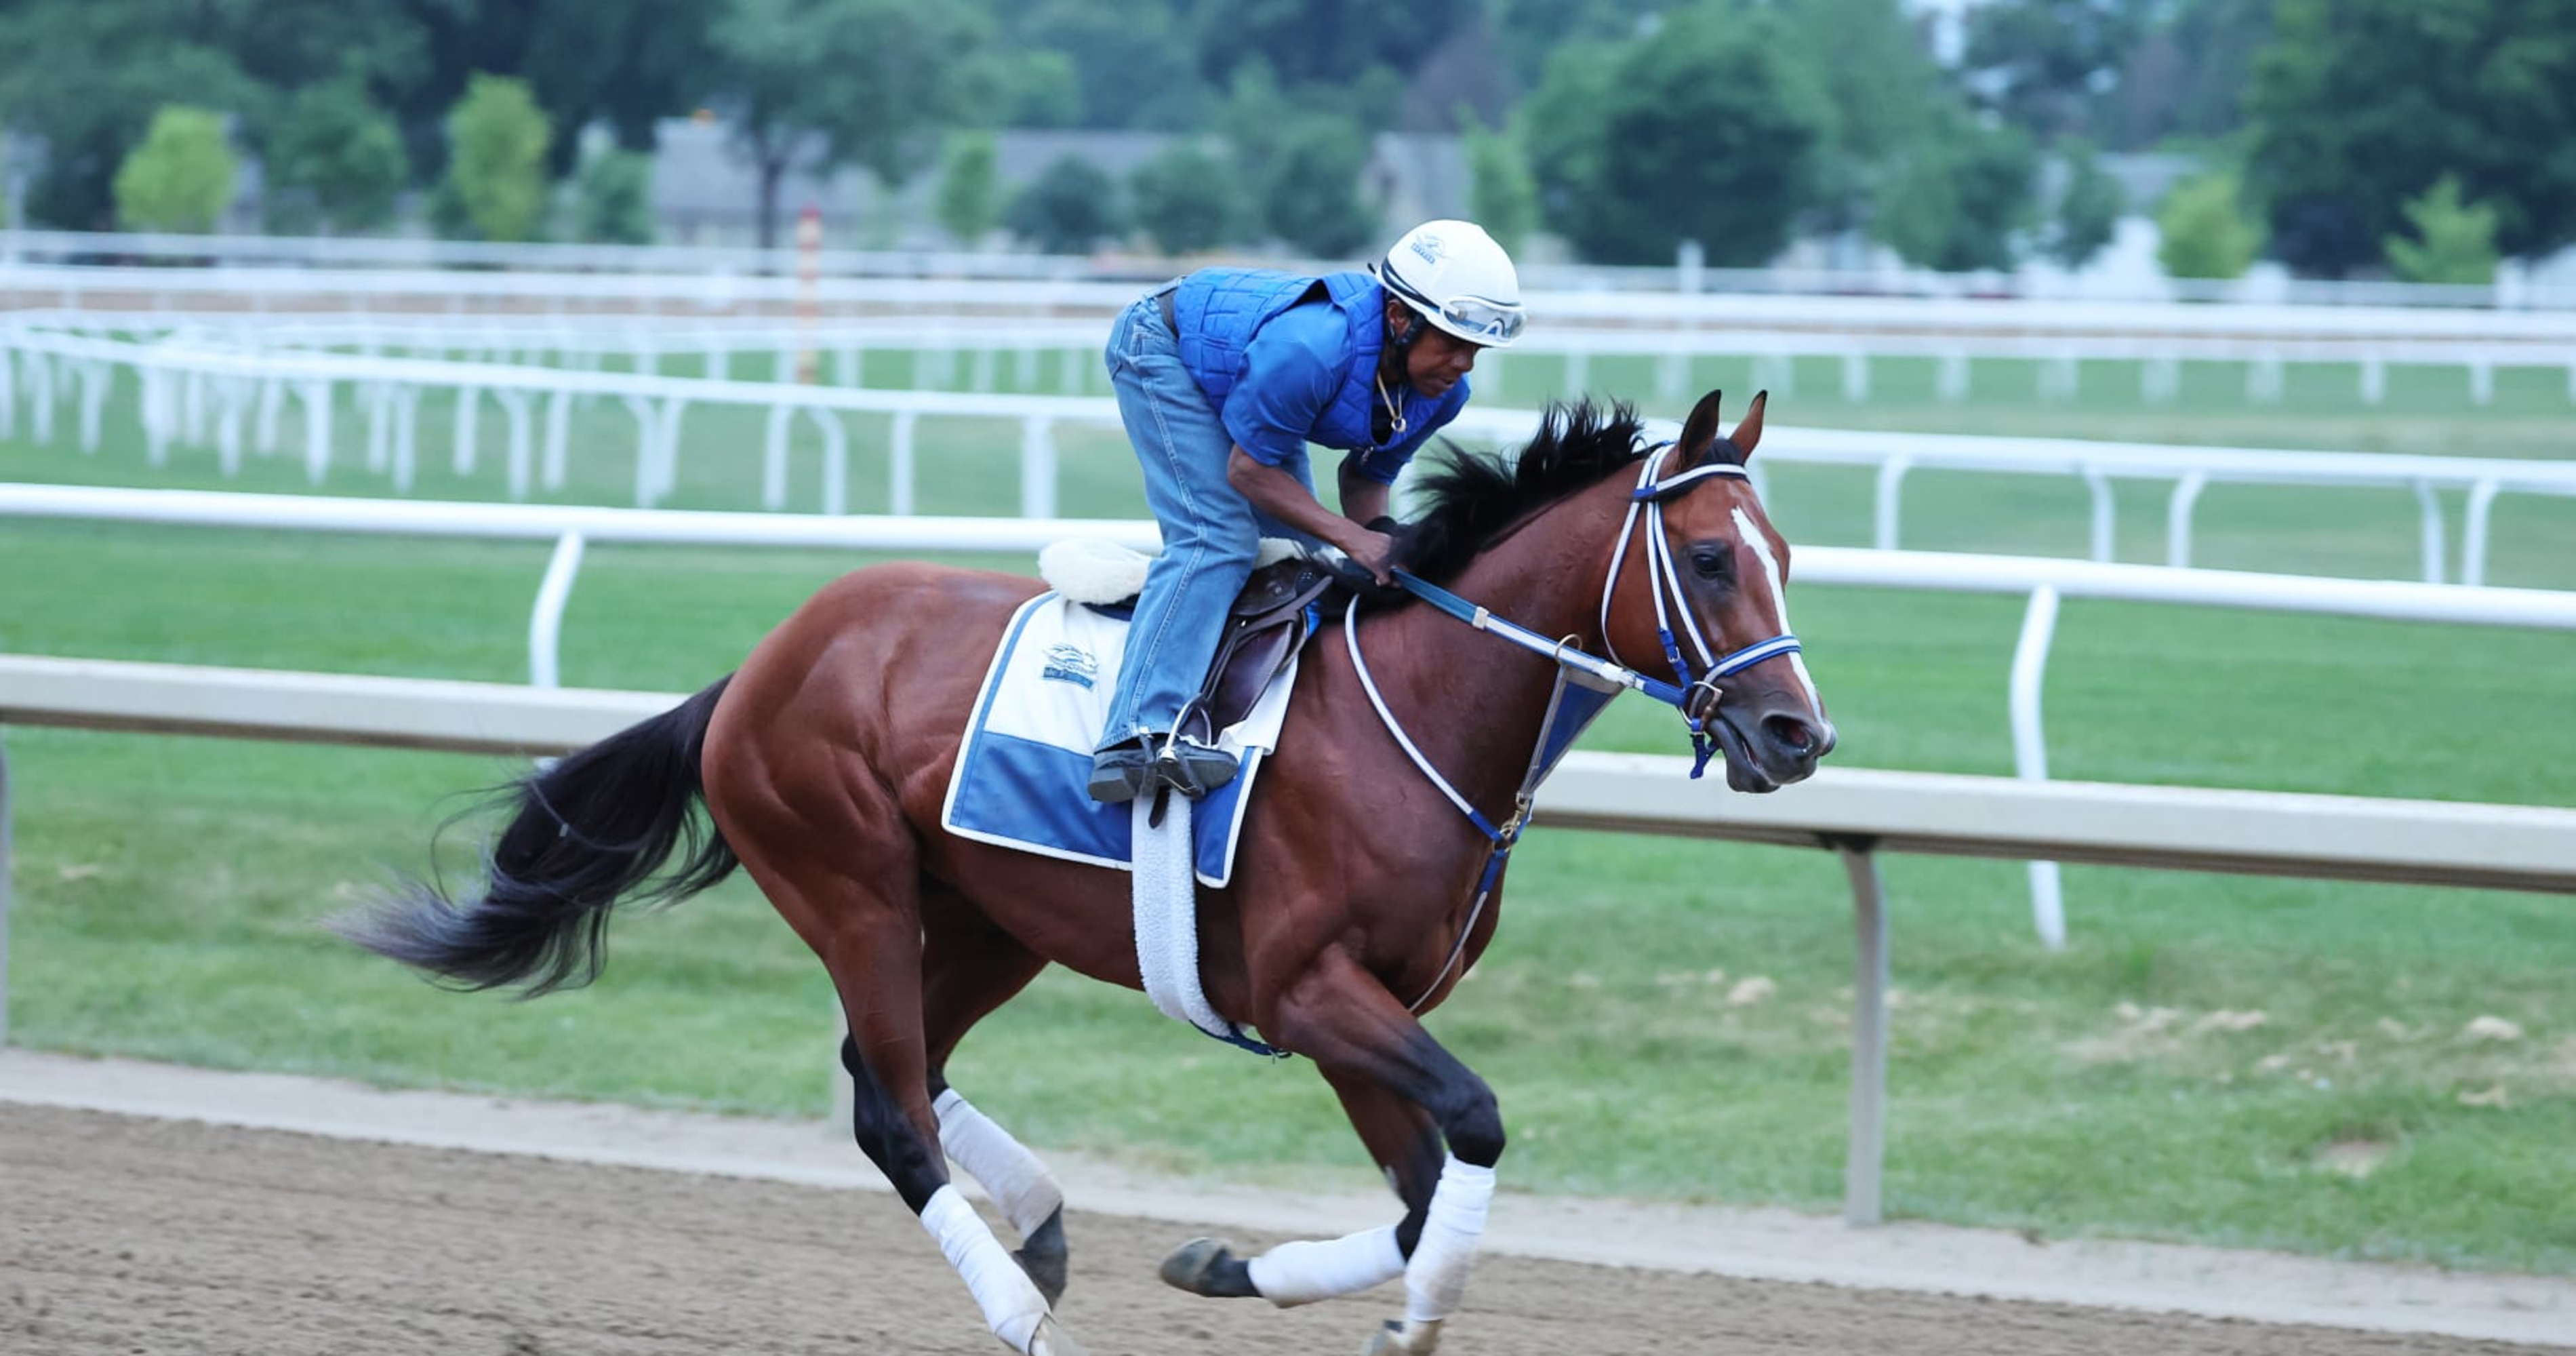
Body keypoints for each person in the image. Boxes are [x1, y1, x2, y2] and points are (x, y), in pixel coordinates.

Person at [1088, 219, 1527, 803]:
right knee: (1217, 539)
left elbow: (1367, 476)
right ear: (1400, 319)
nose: (1464, 364)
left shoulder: (1443, 394)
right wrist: (1352, 539)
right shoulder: (1312, 350)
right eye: (1451, 342)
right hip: (1162, 346)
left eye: (1475, 348)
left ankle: (1244, 716)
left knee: (1296, 561)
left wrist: (1382, 542)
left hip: (1249, 377)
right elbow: (1247, 470)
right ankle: (1137, 734)